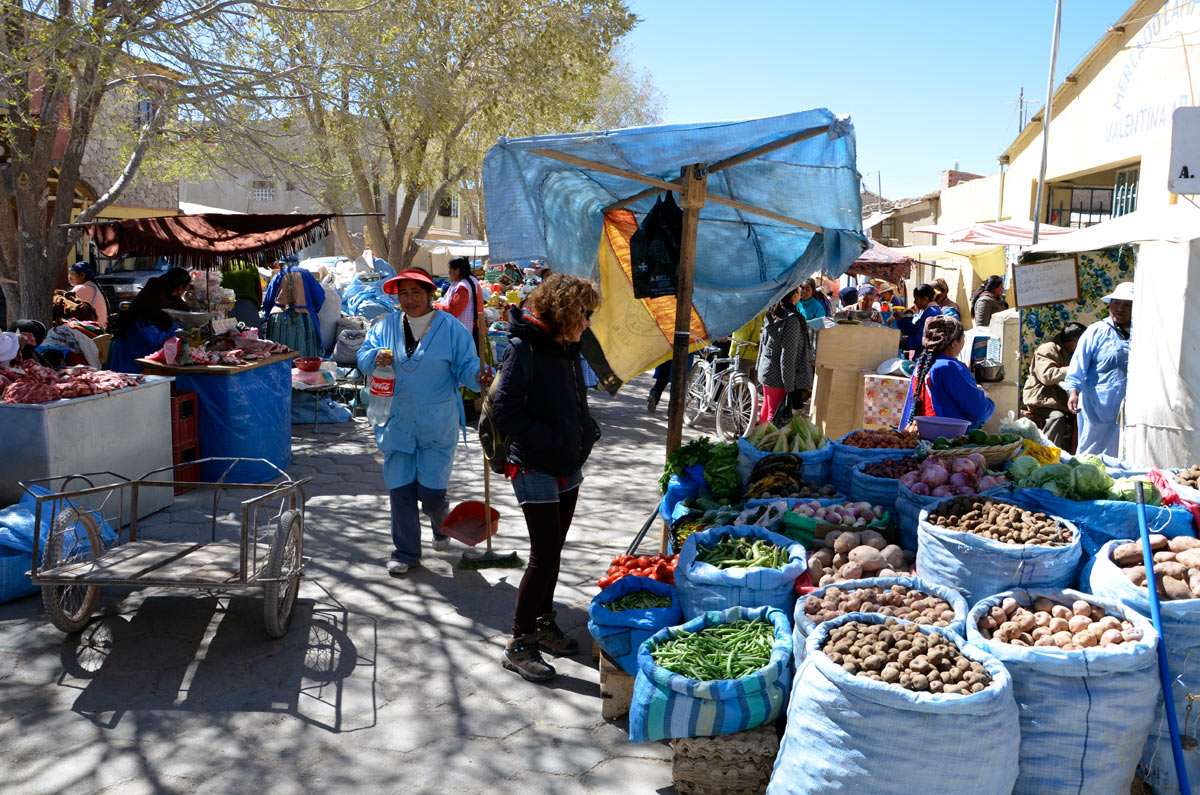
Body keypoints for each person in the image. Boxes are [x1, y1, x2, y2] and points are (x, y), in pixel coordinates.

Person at [492, 273, 602, 682]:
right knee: (543, 556)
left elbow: (574, 400)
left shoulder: (567, 346)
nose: (588, 322)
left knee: (554, 551)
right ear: (565, 311)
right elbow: (506, 413)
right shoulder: (524, 349)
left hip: (567, 464)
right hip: (535, 465)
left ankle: (542, 622)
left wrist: (585, 430)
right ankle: (519, 643)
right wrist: (553, 438)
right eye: (585, 314)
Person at [357, 268, 484, 575]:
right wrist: (374, 357)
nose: (409, 299)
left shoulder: (451, 328)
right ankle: (405, 552)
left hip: (436, 422)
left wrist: (479, 377)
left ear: (430, 294)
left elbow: (467, 366)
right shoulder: (385, 325)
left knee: (430, 493)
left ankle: (441, 526)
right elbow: (362, 357)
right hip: (396, 420)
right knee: (400, 489)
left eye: (416, 292)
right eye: (403, 293)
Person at [1064, 282, 1133, 457]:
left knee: (1123, 451)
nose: (1120, 308)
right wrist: (1073, 392)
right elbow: (1078, 365)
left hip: (1129, 408)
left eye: (1127, 305)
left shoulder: (1142, 333)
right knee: (1091, 454)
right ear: (1110, 305)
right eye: (1117, 303)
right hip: (1097, 406)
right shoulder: (1096, 331)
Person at [900, 315, 994, 430]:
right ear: (954, 343)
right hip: (947, 440)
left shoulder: (921, 364)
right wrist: (984, 397)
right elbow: (979, 411)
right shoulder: (950, 367)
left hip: (922, 435)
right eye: (963, 339)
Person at [107, 268, 189, 373]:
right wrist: (173, 333)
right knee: (129, 382)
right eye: (185, 289)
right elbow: (153, 336)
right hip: (134, 346)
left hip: (142, 346)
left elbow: (184, 310)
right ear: (180, 287)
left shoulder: (169, 293)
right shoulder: (155, 292)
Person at [1023, 322, 1086, 449]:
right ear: (1073, 343)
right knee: (1057, 418)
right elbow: (1047, 376)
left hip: (1059, 401)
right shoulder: (1047, 349)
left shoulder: (1071, 353)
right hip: (1042, 401)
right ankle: (1046, 452)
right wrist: (1073, 369)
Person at [757, 285, 813, 423]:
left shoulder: (772, 313)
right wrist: (789, 385)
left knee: (767, 408)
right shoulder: (792, 319)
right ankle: (766, 444)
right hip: (778, 376)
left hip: (767, 370)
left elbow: (763, 346)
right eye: (799, 292)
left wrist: (759, 366)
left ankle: (757, 441)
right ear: (793, 296)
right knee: (774, 415)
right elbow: (788, 354)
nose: (801, 294)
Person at [262, 255, 325, 358]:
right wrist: (312, 310)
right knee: (304, 355)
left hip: (279, 320)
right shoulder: (306, 274)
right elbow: (319, 296)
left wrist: (267, 314)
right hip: (303, 319)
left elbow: (268, 301)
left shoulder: (278, 276)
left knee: (278, 356)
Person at [434, 256, 487, 341]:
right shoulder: (470, 281)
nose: (449, 273)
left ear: (457, 271)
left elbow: (452, 311)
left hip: (469, 332)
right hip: (475, 328)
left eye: (450, 270)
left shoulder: (463, 288)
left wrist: (436, 306)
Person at [895, 283, 942, 352]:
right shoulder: (928, 311)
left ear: (925, 299)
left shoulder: (932, 313)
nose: (914, 302)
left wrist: (898, 344)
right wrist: (901, 319)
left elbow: (920, 340)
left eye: (916, 299)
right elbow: (915, 329)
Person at [67, 262, 109, 328]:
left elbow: (67, 310)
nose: (69, 277)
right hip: (100, 330)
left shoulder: (81, 288)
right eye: (69, 274)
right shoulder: (93, 286)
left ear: (82, 275)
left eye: (72, 274)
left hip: (91, 331)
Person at [731, 311, 764, 383]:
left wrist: (762, 339)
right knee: (741, 388)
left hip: (755, 355)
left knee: (752, 389)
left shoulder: (762, 309)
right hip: (741, 353)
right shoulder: (742, 307)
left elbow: (766, 326)